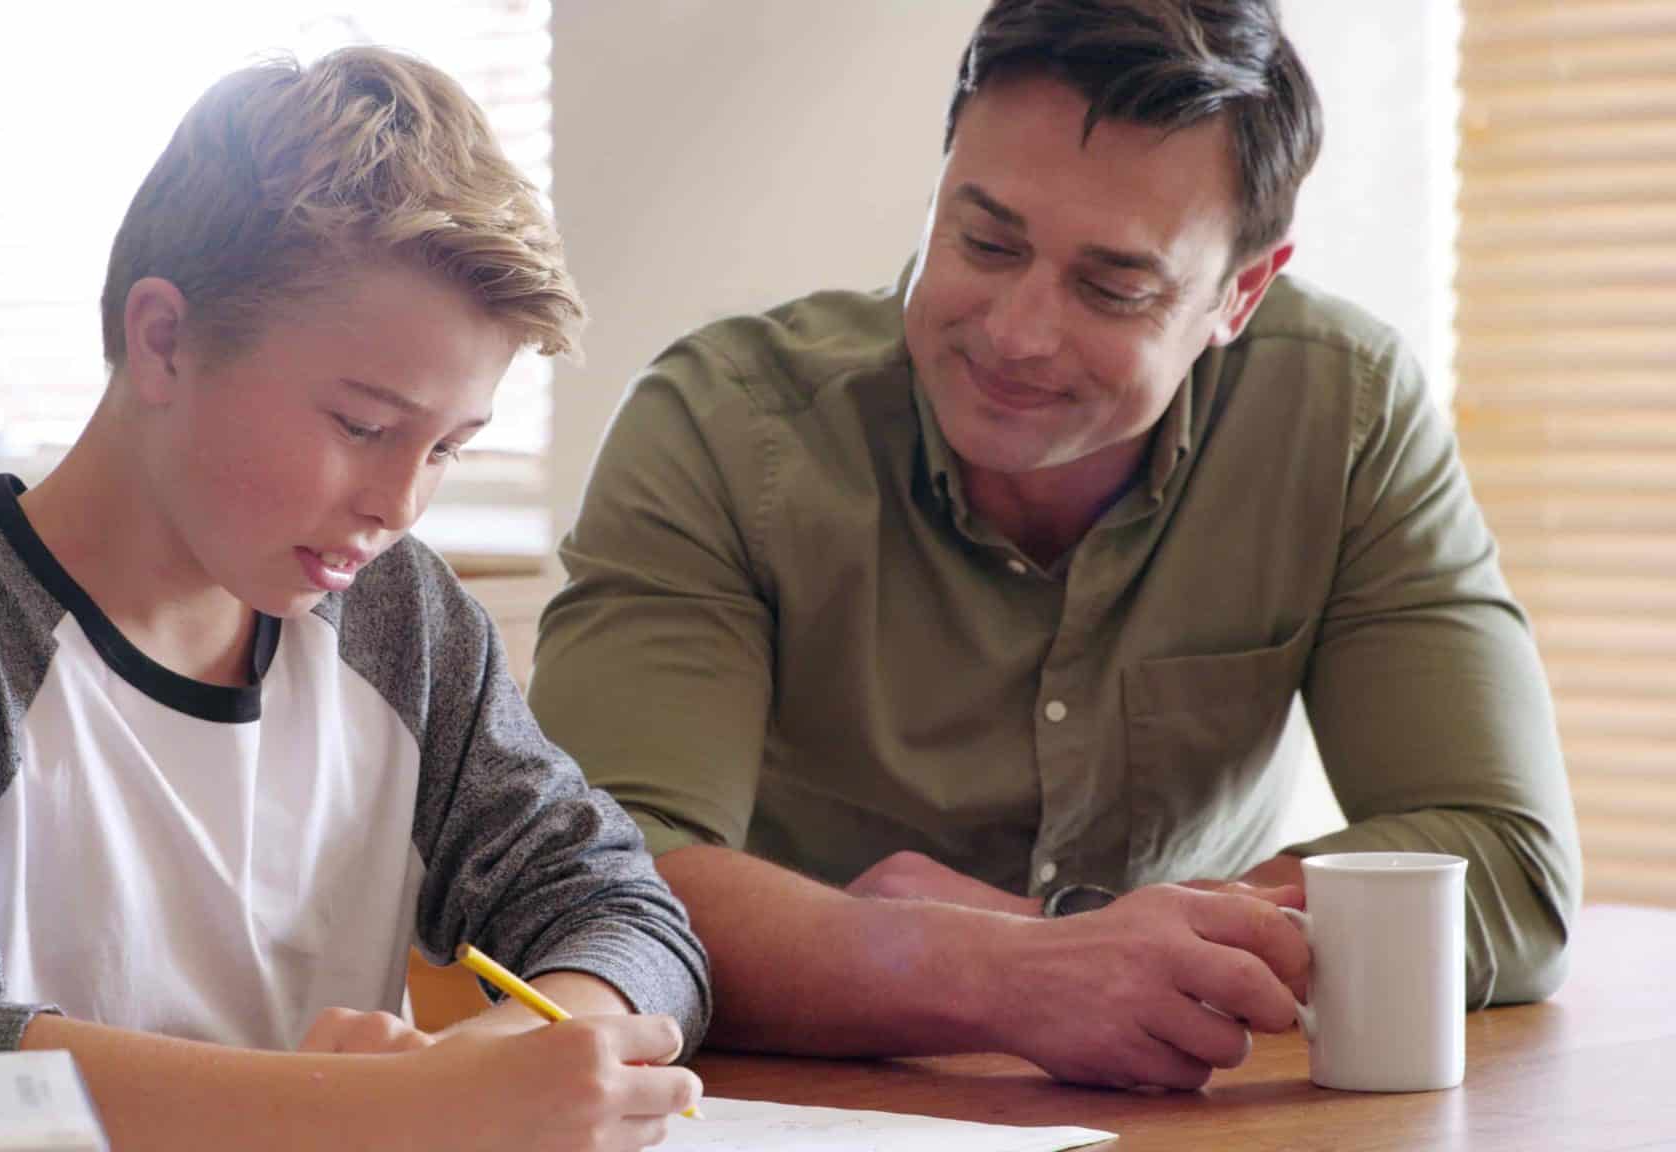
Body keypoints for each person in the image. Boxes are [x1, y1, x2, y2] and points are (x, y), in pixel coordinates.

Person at [527, 0, 1579, 1092]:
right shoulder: (722, 426)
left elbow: (1501, 861)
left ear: (1239, 293)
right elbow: (593, 884)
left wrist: (1087, 939)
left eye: (1111, 285)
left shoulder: (1342, 411)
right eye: (983, 242)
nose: (1017, 333)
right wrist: (998, 973)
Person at [0, 48, 706, 1152]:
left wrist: (533, 1054)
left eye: (446, 447)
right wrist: (387, 1112)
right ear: (163, 341)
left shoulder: (403, 620)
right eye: (361, 425)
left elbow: (621, 910)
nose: (400, 503)